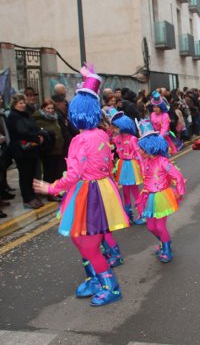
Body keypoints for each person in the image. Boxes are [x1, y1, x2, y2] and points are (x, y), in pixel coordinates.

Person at [33, 66, 129, 306]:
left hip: (89, 193)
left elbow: (74, 174)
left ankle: (110, 286)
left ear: (76, 114)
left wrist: (51, 188)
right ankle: (96, 279)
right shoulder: (101, 135)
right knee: (81, 239)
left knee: (87, 243)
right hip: (100, 190)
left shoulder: (79, 140)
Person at [134, 119, 186, 263]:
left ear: (149, 147)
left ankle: (167, 249)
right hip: (149, 196)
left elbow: (178, 176)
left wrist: (180, 191)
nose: (139, 150)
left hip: (162, 195)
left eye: (142, 148)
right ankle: (164, 242)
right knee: (151, 227)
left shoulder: (163, 161)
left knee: (159, 225)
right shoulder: (145, 162)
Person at [6, 93, 46, 209]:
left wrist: (39, 134)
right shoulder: (14, 116)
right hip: (22, 151)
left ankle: (32, 196)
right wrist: (37, 137)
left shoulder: (26, 115)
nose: (23, 105)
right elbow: (22, 132)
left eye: (24, 103)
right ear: (14, 104)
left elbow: (34, 127)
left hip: (31, 150)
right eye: (20, 103)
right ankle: (27, 198)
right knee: (25, 176)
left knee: (32, 174)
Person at [109, 107, 145, 224]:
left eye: (115, 127)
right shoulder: (117, 138)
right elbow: (118, 151)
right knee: (125, 191)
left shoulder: (133, 139)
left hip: (131, 165)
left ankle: (142, 213)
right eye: (113, 127)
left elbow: (139, 154)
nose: (114, 129)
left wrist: (143, 167)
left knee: (134, 190)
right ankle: (128, 215)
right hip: (123, 164)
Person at [33, 98, 65, 198]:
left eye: (52, 108)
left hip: (58, 150)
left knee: (57, 172)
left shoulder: (55, 118)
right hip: (49, 151)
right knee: (49, 173)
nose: (50, 110)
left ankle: (56, 190)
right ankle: (49, 194)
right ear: (43, 108)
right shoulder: (39, 120)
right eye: (48, 108)